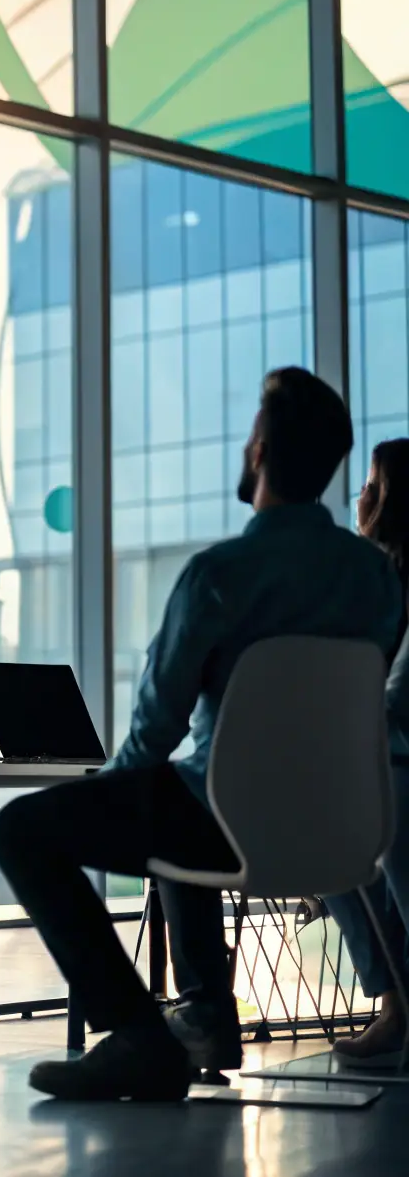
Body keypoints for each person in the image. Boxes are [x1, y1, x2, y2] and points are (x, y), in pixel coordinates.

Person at [0, 367, 403, 1102]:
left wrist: (112, 788)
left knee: (26, 827)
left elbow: (153, 730)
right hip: (343, 830)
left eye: (251, 432)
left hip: (224, 822)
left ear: (261, 449)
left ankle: (138, 1035)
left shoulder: (219, 574)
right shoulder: (377, 580)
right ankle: (207, 1013)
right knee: (187, 789)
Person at [324, 438, 409, 1067]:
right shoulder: (372, 582)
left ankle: (396, 1003)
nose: (362, 495)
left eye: (374, 483)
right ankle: (395, 1001)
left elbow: (396, 694)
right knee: (332, 854)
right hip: (370, 754)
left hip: (392, 756)